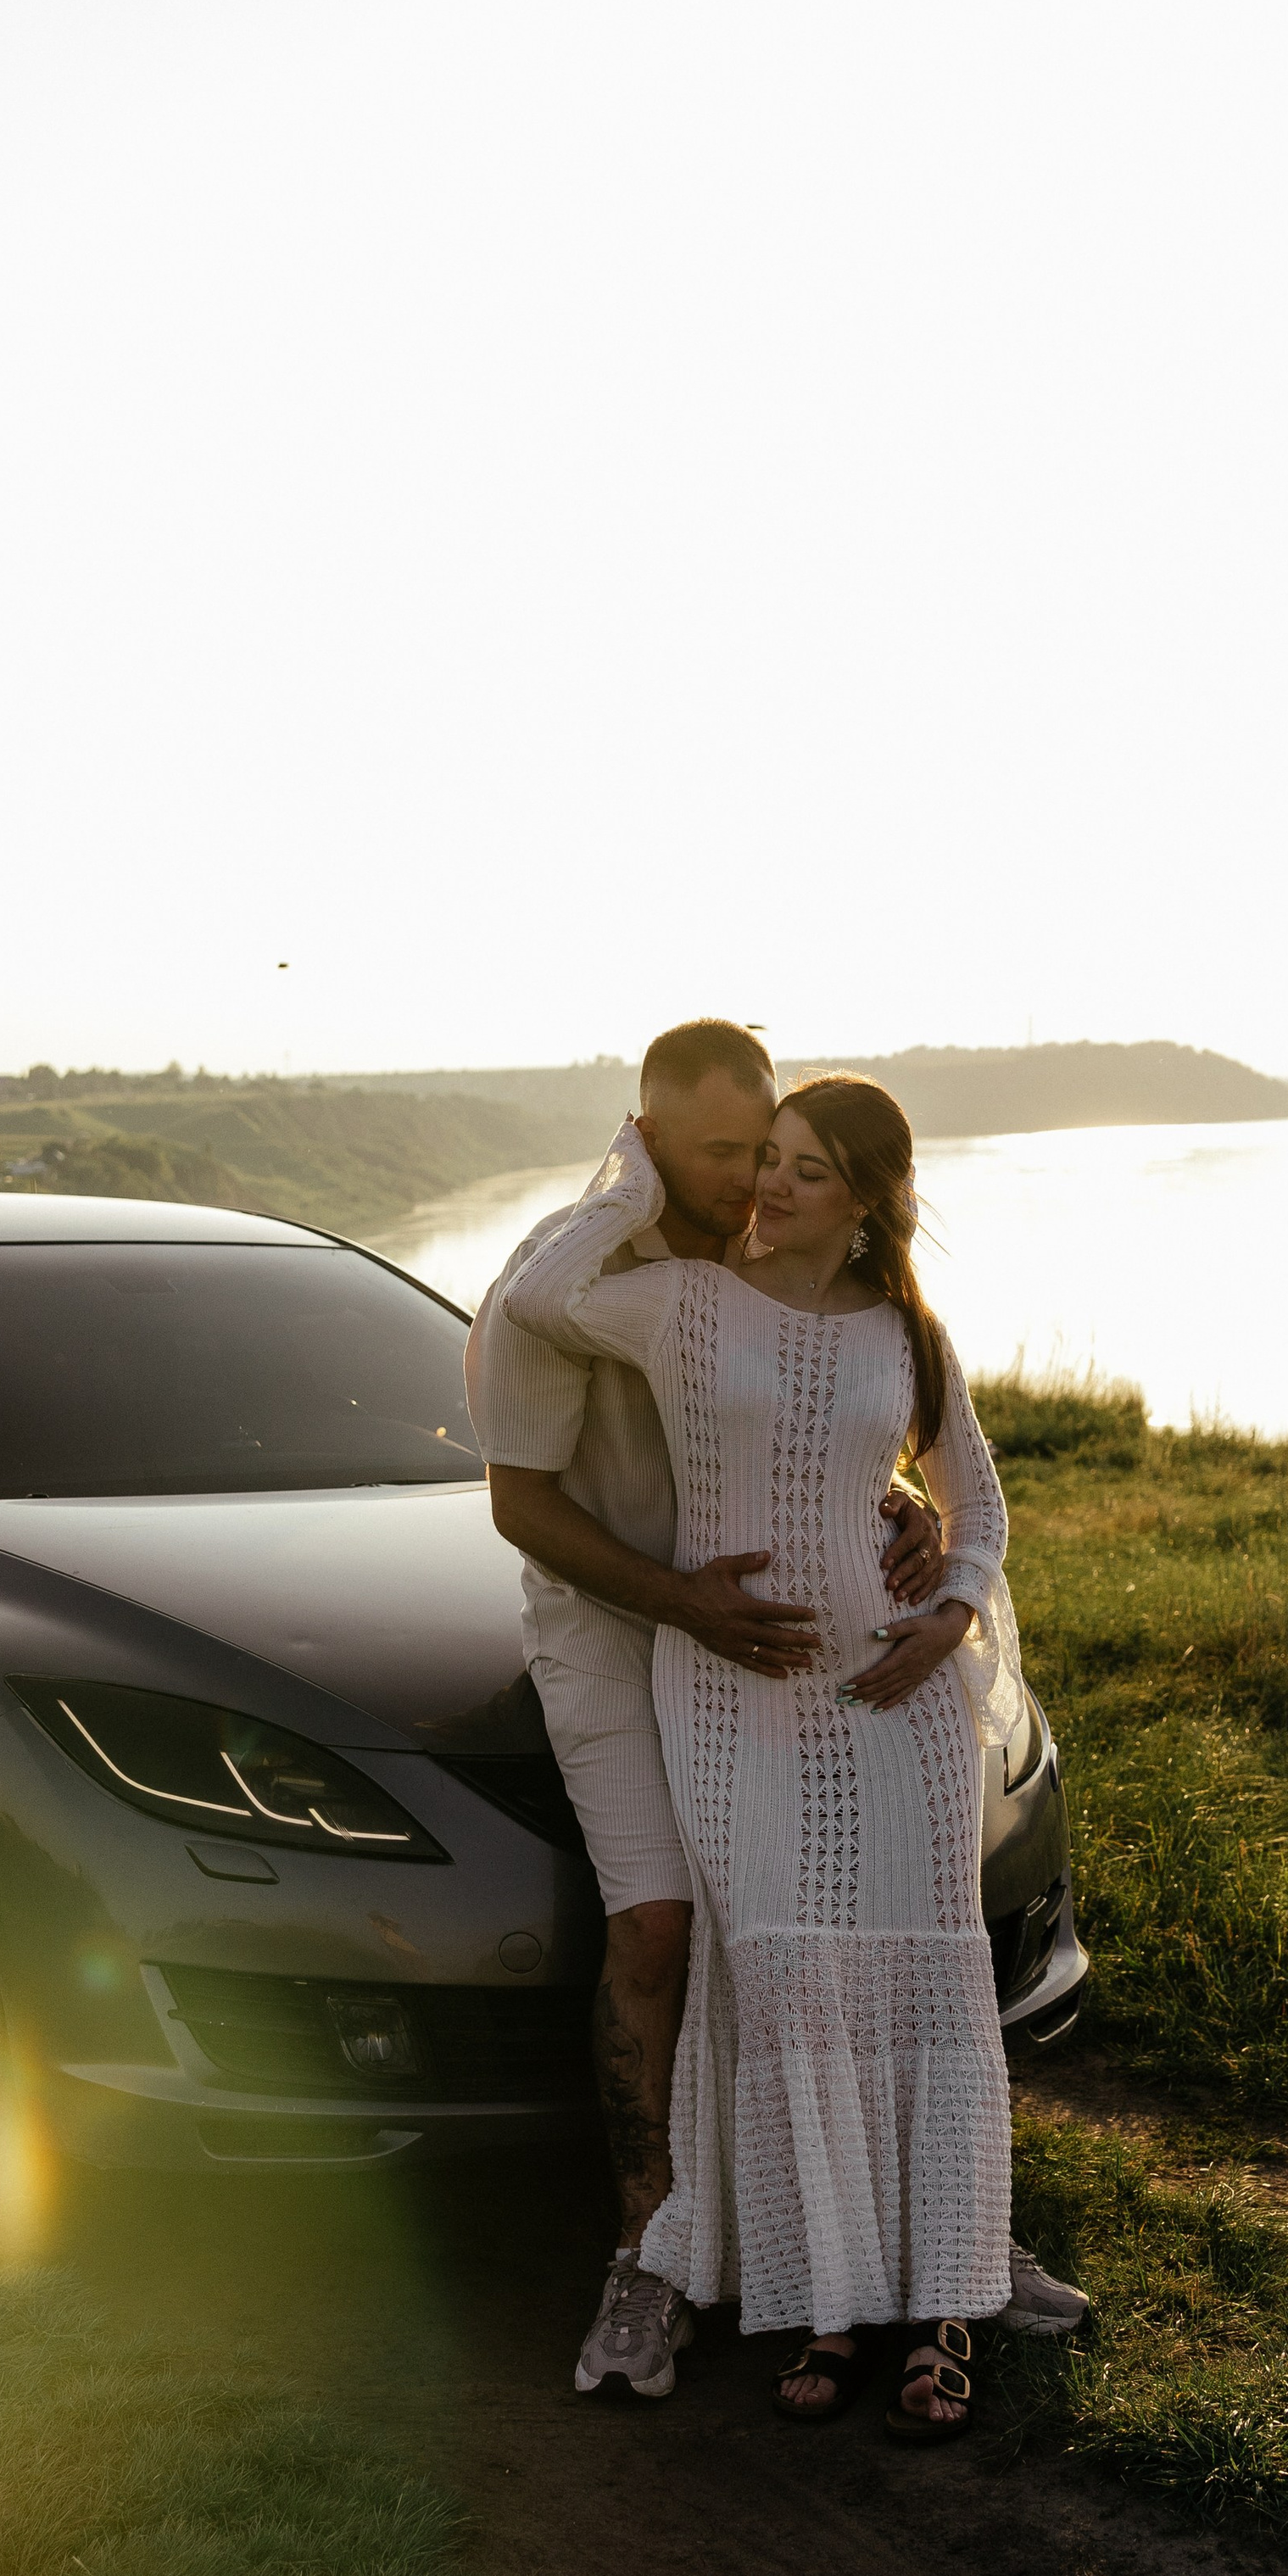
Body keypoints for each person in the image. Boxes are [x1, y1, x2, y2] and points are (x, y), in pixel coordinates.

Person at [468, 1023, 1084, 2405]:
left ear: (857, 1192)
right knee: (712, 1945)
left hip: (861, 1678)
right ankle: (710, 2265)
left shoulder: (886, 1322)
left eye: (787, 1159)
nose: (758, 1181)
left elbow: (945, 1477)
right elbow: (529, 1433)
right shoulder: (647, 1286)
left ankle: (948, 2252)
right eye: (735, 1156)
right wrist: (626, 1182)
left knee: (917, 1959)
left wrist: (939, 1575)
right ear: (647, 1141)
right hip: (661, 1641)